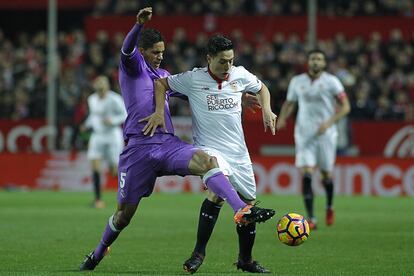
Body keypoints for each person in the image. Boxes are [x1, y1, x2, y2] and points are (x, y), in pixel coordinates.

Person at [79, 7, 275, 271]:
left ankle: (241, 209)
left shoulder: (164, 75)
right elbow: (127, 49)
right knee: (123, 216)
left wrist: (239, 95)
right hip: (138, 149)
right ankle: (98, 253)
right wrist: (137, 26)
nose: (160, 57)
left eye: (162, 51)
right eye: (155, 52)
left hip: (167, 144)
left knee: (208, 160)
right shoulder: (132, 68)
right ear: (143, 51)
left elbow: (200, 94)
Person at [143, 35, 277, 273]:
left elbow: (262, 87)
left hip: (238, 151)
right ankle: (198, 253)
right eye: (222, 62)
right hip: (210, 148)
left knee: (248, 203)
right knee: (218, 194)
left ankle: (245, 260)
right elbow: (161, 84)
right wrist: (158, 113)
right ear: (209, 58)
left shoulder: (240, 74)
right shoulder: (193, 79)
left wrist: (266, 109)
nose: (227, 67)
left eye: (231, 61)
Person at [276, 49, 351, 230]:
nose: (316, 62)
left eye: (319, 59)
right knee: (307, 173)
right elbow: (290, 102)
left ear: (324, 63)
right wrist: (283, 118)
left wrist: (329, 122)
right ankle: (311, 218)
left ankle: (329, 207)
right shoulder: (297, 81)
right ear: (308, 62)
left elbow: (345, 107)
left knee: (326, 174)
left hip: (326, 134)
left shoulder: (332, 82)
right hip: (303, 133)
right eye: (313, 59)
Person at [83, 75, 127, 208]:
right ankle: (98, 200)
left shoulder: (115, 99)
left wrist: (112, 120)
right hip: (97, 136)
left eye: (103, 83)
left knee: (114, 170)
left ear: (107, 86)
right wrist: (86, 124)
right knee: (94, 166)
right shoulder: (91, 99)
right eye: (98, 83)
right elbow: (93, 115)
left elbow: (125, 114)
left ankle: (127, 195)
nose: (100, 86)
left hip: (112, 136)